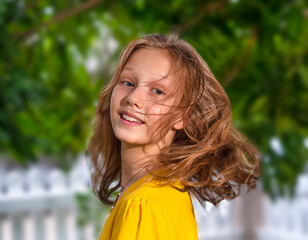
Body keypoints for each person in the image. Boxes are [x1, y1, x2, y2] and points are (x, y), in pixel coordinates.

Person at [87, 33, 260, 240]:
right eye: (128, 83)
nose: (133, 98)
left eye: (158, 92)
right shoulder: (163, 192)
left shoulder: (145, 205)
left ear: (183, 116)